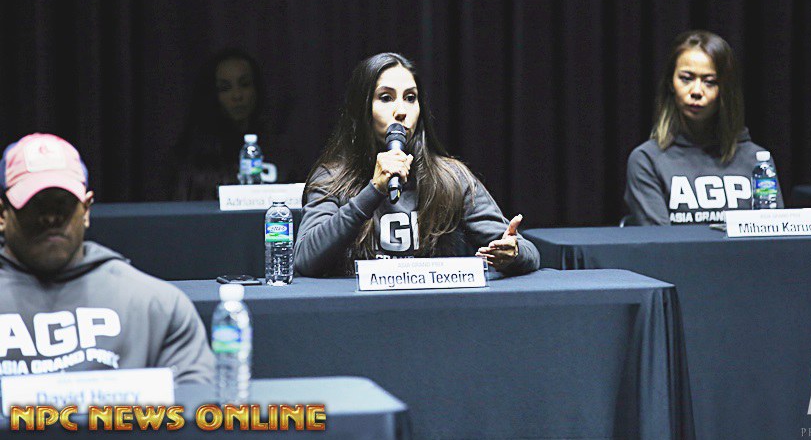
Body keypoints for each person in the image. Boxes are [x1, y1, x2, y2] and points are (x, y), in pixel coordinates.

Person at [294, 52, 540, 277]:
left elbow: (527, 251)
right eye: (386, 98)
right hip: (358, 307)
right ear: (362, 109)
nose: (401, 111)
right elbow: (305, 259)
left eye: (410, 98)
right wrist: (373, 191)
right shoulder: (331, 178)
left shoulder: (450, 176)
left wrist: (513, 253)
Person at [1, 133, 214, 383]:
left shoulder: (156, 306)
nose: (50, 218)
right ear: (3, 215)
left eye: (63, 203)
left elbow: (197, 401)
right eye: (35, 204)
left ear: (86, 210)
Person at [624, 30, 784, 225]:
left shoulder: (758, 161)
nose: (697, 91)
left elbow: (773, 235)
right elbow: (660, 241)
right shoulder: (647, 160)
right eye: (686, 78)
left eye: (710, 82)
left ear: (725, 90)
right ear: (670, 83)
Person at [167, 49, 294, 200]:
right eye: (225, 88)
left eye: (244, 84)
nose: (237, 95)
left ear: (256, 89)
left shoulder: (282, 154)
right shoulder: (188, 160)